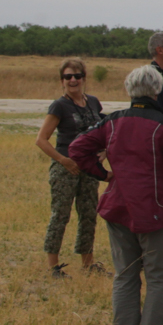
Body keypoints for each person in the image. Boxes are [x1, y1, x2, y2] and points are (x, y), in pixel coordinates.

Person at [70, 64, 163, 325]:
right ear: (157, 90)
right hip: (157, 210)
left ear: (129, 90)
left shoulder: (112, 122)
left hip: (118, 207)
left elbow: (76, 149)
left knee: (125, 275)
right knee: (158, 277)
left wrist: (104, 175)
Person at [36, 58, 105, 276]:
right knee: (60, 215)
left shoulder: (93, 102)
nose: (72, 80)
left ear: (84, 78)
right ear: (61, 81)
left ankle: (88, 263)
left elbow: (102, 131)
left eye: (77, 76)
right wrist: (63, 160)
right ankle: (53, 266)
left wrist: (104, 152)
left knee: (88, 214)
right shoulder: (60, 106)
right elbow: (42, 139)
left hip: (89, 168)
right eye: (68, 77)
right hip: (66, 168)